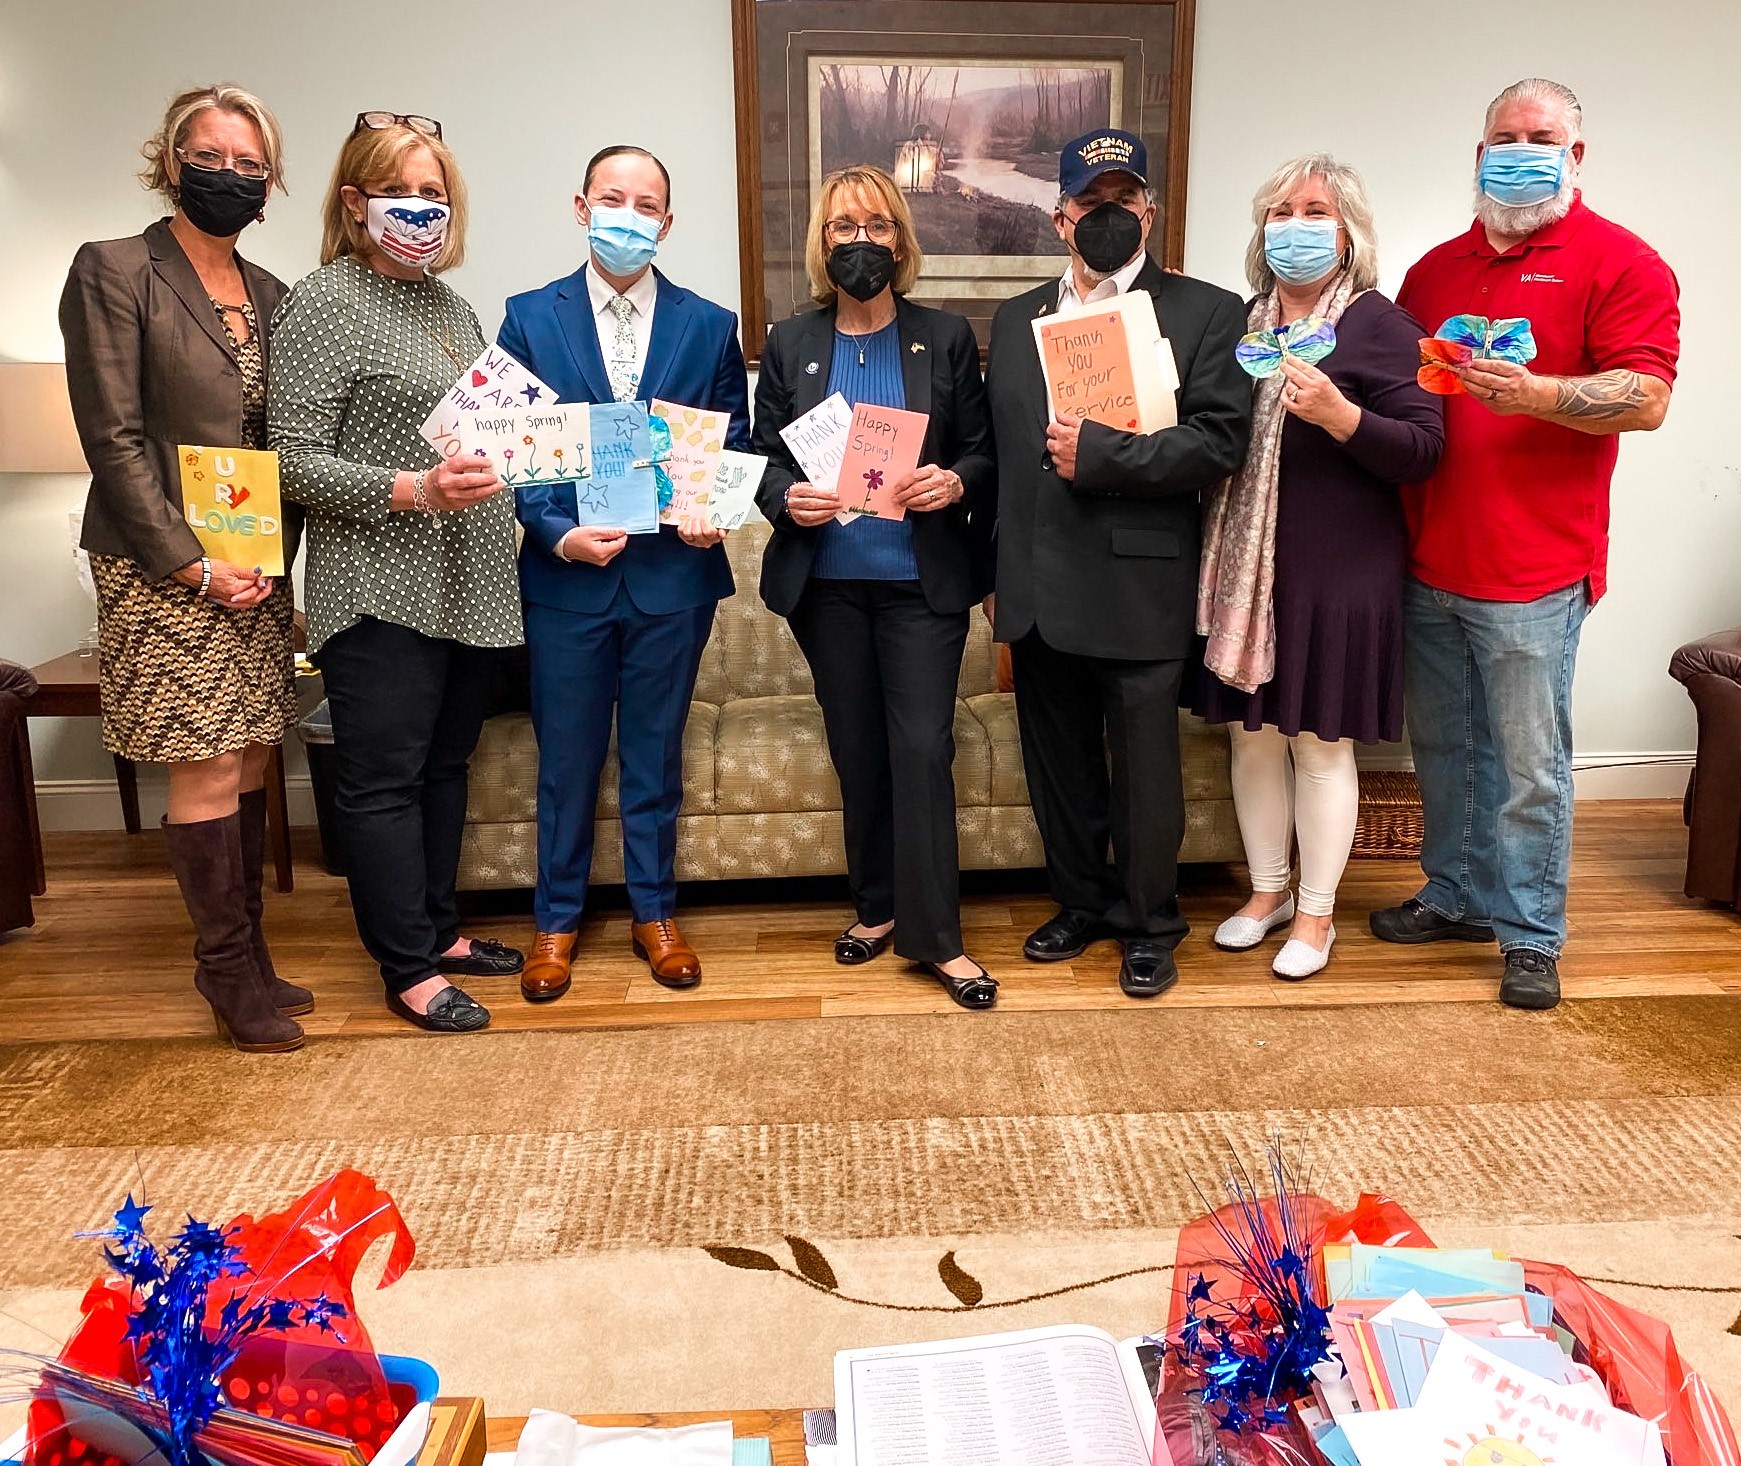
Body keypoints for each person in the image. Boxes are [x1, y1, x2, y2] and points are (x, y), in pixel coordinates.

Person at [1370, 78, 1680, 1011]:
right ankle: (1456, 894)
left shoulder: (1620, 261)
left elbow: (1650, 398)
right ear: (1477, 152)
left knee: (1528, 768)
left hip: (1535, 569)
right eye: (1501, 135)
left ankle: (1530, 932)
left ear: (1574, 155)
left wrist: (1539, 392)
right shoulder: (1432, 271)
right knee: (1444, 750)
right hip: (1429, 556)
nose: (1517, 149)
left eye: (1538, 136)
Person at [60, 84, 308, 1053]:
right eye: (211, 156)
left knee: (249, 751)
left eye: (250, 165)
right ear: (171, 161)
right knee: (204, 757)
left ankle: (250, 956)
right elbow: (112, 436)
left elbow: (274, 443)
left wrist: (262, 565)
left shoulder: (277, 297)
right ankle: (222, 971)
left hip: (251, 564)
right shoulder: (116, 270)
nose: (230, 175)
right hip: (158, 562)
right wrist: (189, 563)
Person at [269, 113, 525, 1033]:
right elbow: (289, 459)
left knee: (444, 767)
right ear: (353, 202)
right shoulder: (324, 301)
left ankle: (439, 930)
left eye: (435, 195)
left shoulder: (455, 309)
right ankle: (406, 965)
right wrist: (412, 488)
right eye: (402, 194)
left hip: (471, 584)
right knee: (381, 780)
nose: (422, 211)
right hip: (379, 586)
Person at [986, 129, 1253, 999]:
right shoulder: (1014, 315)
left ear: (1149, 212)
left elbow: (1218, 442)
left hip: (1140, 580)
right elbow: (1002, 451)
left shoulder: (1206, 311)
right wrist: (994, 576)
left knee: (1144, 773)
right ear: (1061, 215)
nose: (1108, 217)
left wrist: (1103, 456)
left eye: (1124, 203)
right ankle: (1082, 902)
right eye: (1090, 203)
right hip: (1034, 583)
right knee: (1057, 767)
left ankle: (1147, 923)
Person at [500, 144, 750, 1002]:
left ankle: (654, 914)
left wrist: (712, 509)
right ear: (581, 207)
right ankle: (555, 922)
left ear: (667, 223)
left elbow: (733, 445)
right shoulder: (529, 316)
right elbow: (512, 454)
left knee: (653, 756)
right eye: (614, 199)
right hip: (567, 580)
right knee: (565, 760)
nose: (629, 216)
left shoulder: (709, 324)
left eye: (647, 205)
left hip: (670, 581)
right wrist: (557, 534)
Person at [753, 165, 998, 1008]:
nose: (860, 242)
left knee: (923, 750)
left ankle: (938, 939)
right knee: (857, 750)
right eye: (841, 229)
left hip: (918, 586)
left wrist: (955, 482)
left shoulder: (946, 335)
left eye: (876, 227)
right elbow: (763, 461)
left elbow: (982, 448)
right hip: (824, 589)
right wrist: (786, 495)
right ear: (822, 245)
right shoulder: (792, 343)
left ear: (901, 238)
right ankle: (878, 906)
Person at [1193, 156, 1443, 979]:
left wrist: (1344, 417)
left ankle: (1315, 915)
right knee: (1251, 738)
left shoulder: (1381, 326)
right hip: (1244, 575)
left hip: (1338, 576)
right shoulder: (1239, 326)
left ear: (1348, 233)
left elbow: (1421, 451)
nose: (1294, 226)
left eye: (1314, 212)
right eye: (1279, 210)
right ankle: (1264, 894)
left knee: (1319, 747)